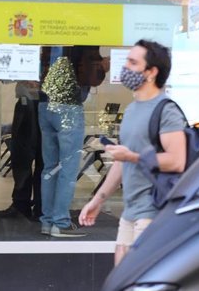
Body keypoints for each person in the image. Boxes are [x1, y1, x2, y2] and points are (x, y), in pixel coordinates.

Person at [78, 40, 186, 265]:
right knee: (122, 278)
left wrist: (133, 157)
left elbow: (177, 160)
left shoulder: (167, 111)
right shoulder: (132, 110)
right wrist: (97, 200)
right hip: (130, 211)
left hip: (153, 212)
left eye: (132, 62)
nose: (125, 67)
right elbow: (120, 162)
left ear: (151, 72)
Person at [39, 46, 108, 237]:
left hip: (44, 104)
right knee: (68, 169)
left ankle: (47, 221)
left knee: (50, 167)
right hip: (69, 107)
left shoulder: (49, 40)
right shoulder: (83, 39)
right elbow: (92, 76)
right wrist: (103, 66)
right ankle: (60, 222)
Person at [0, 80, 43, 221]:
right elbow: (4, 79)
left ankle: (36, 207)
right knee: (23, 161)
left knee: (37, 163)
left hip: (39, 103)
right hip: (29, 102)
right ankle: (25, 206)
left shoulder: (50, 60)